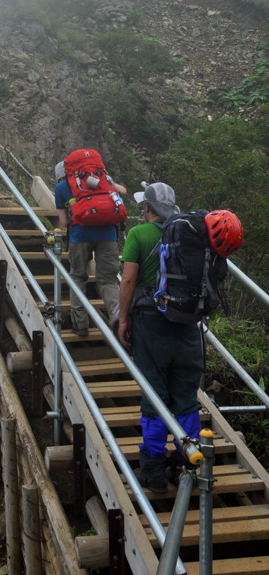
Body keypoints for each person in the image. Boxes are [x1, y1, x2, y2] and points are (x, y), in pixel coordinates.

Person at [119, 182, 203, 492]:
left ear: (147, 208)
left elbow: (128, 278)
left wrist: (123, 318)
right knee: (185, 395)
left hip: (151, 324)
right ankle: (188, 462)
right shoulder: (191, 233)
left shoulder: (139, 234)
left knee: (154, 394)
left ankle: (153, 471)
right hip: (187, 326)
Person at [54, 160, 126, 337]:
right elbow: (123, 191)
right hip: (108, 234)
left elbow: (64, 222)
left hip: (80, 236)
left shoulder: (61, 187)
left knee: (78, 276)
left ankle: (80, 324)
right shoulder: (101, 179)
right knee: (108, 279)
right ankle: (117, 315)